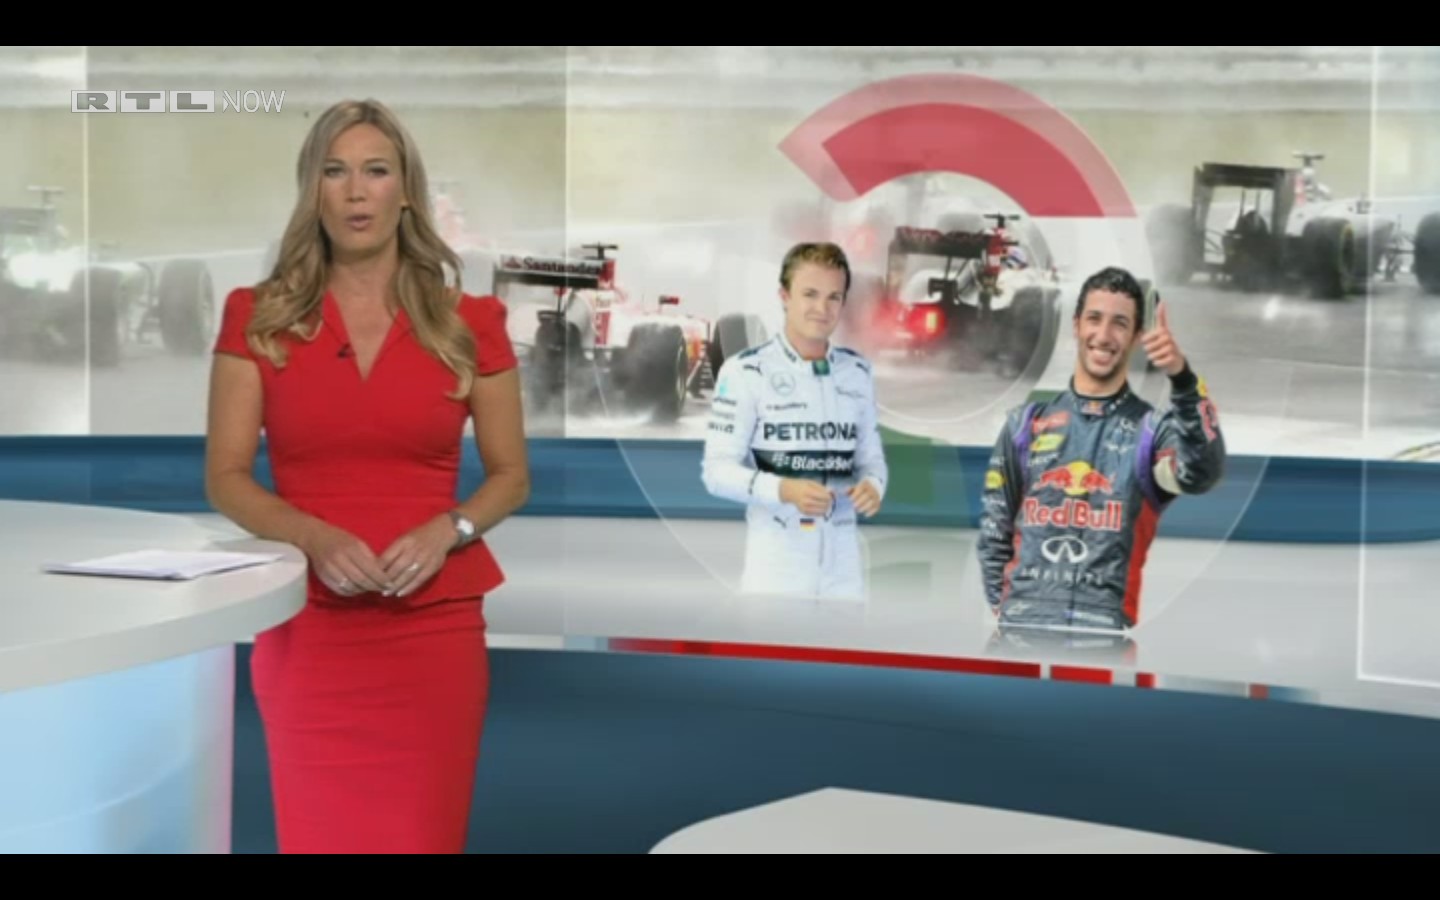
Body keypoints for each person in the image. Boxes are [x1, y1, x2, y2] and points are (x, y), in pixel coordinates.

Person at [204, 98, 529, 853]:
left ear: (405, 189)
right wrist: (313, 537)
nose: (356, 192)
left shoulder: (469, 322)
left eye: (376, 171)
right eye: (335, 172)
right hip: (310, 628)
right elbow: (226, 476)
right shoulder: (256, 316)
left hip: (434, 631)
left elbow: (511, 476)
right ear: (312, 190)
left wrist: (450, 529)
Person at [976, 266, 1225, 632]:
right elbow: (993, 532)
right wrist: (1007, 611)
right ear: (1076, 325)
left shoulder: (1152, 432)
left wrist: (1183, 380)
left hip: (1104, 635)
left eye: (1120, 324)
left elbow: (1202, 473)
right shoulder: (1024, 424)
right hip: (1022, 629)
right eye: (1094, 318)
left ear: (1137, 336)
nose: (1104, 335)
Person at [701, 242, 888, 600]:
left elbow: (872, 462)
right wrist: (783, 489)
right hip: (776, 574)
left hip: (845, 576)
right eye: (810, 294)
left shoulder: (857, 372)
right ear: (784, 296)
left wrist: (874, 487)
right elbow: (717, 472)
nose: (822, 308)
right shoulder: (745, 371)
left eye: (834, 297)